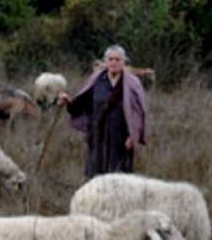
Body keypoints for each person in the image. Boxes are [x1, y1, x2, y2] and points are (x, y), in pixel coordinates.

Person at [58, 45, 147, 177]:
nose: (114, 63)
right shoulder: (97, 80)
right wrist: (68, 102)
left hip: (121, 140)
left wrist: (132, 135)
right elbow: (82, 104)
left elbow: (138, 112)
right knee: (96, 179)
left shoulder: (132, 84)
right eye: (110, 59)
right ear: (105, 61)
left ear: (124, 62)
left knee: (119, 180)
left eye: (117, 59)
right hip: (98, 137)